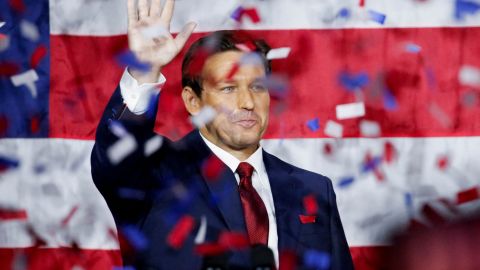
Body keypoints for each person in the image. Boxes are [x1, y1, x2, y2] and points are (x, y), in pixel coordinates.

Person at [91, 0, 354, 269]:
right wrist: (144, 71)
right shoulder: (154, 173)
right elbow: (113, 157)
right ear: (193, 101)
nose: (247, 102)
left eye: (257, 87)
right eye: (228, 88)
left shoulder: (314, 189)